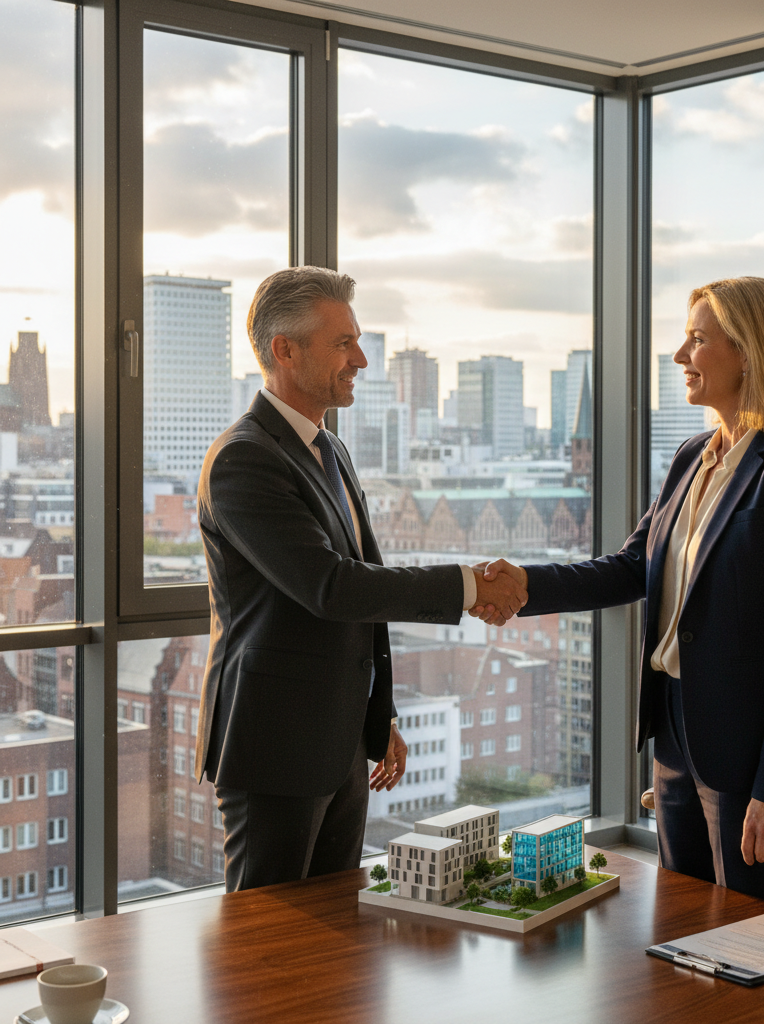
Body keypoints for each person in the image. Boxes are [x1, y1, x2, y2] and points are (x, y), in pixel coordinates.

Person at [474, 277, 764, 909]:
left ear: (750, 352)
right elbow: (629, 567)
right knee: (678, 933)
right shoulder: (692, 456)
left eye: (697, 340)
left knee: (755, 940)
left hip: (753, 749)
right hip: (675, 733)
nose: (679, 357)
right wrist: (525, 586)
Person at [195, 266, 526, 892]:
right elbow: (334, 587)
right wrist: (470, 585)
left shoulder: (330, 448)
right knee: (266, 949)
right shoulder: (244, 458)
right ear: (284, 350)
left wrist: (379, 717)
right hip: (276, 747)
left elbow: (362, 585)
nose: (362, 358)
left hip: (338, 740)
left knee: (336, 937)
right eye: (343, 342)